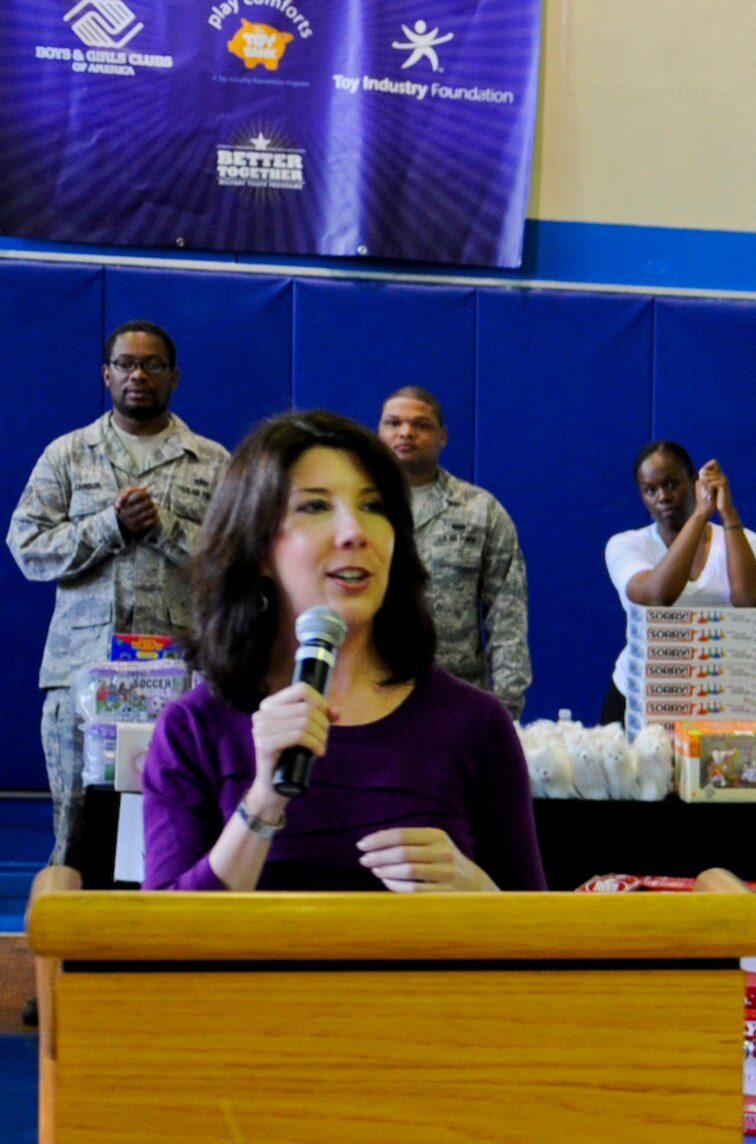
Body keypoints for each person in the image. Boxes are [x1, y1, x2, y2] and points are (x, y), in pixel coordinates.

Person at [142, 410, 544, 893]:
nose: (355, 531)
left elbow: (534, 942)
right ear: (259, 547)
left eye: (374, 506)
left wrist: (484, 898)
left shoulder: (474, 723)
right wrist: (264, 800)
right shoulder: (195, 729)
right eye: (315, 507)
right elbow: (163, 948)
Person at [7, 321, 228, 863]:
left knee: (171, 829)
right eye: (126, 364)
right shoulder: (68, 454)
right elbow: (28, 547)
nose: (138, 375)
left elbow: (235, 560)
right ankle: (69, 946)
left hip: (177, 680)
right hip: (80, 678)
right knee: (78, 832)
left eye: (152, 365)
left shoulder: (212, 461)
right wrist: (110, 525)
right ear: (106, 375)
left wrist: (162, 527)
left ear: (174, 377)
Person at [378, 386, 533, 718]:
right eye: (393, 423)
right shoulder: (356, 508)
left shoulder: (480, 511)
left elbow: (508, 617)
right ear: (379, 432)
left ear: (442, 437)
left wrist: (506, 706)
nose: (405, 432)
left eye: (421, 425)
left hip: (454, 699)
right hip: (370, 693)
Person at [604, 440, 756, 728]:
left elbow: (749, 601)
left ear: (695, 483)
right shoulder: (625, 545)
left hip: (720, 701)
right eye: (650, 490)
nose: (663, 496)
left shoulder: (744, 540)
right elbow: (658, 595)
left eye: (672, 484)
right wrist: (700, 516)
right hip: (641, 700)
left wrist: (726, 512)